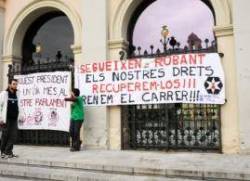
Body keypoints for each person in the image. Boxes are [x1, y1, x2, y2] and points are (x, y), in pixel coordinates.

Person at [0, 79, 23, 158]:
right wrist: (0, 118)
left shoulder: (18, 93)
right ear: (9, 84)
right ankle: (3, 152)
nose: (15, 86)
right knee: (5, 135)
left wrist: (21, 116)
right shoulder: (4, 94)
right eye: (13, 84)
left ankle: (9, 152)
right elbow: (0, 106)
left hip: (14, 118)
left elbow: (19, 106)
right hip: (5, 118)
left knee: (13, 136)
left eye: (16, 84)